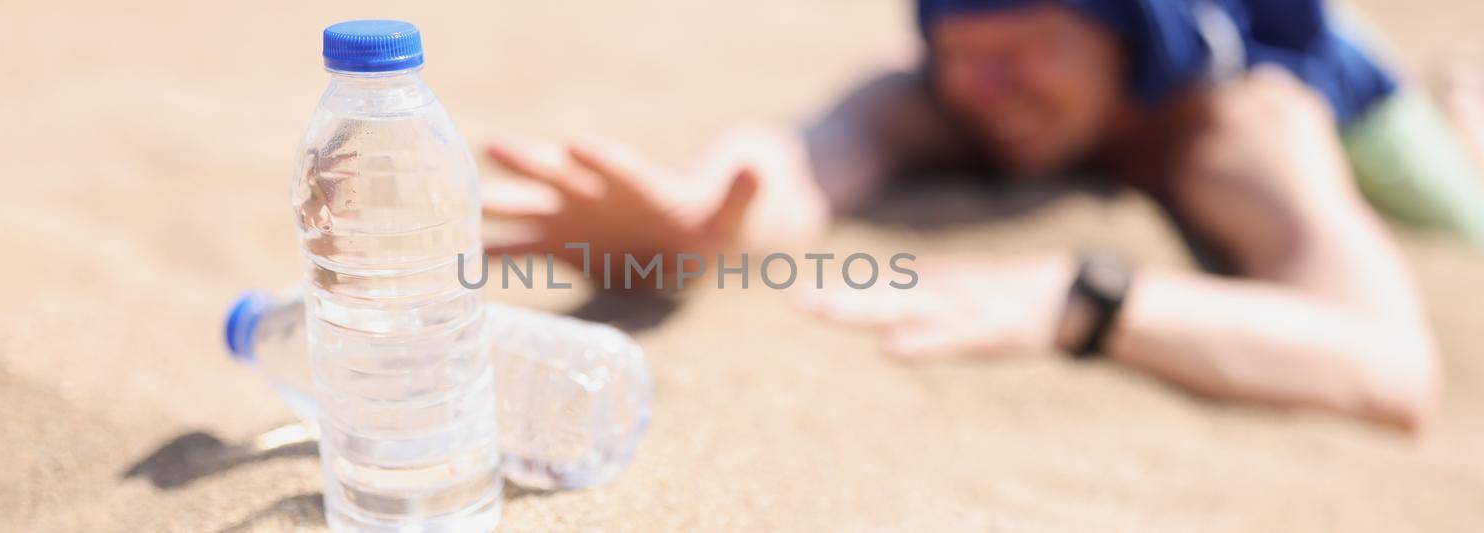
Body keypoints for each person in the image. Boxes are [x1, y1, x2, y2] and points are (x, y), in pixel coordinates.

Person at [479, 0, 1484, 430]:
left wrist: (1083, 299)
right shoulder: (944, 92)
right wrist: (698, 228)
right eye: (959, 50)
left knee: (1462, 207)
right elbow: (802, 161)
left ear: (1128, 35)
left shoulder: (1242, 127)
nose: (983, 89)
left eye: (1026, 46)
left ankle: (1458, 109)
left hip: (1354, 94)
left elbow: (1389, 367)